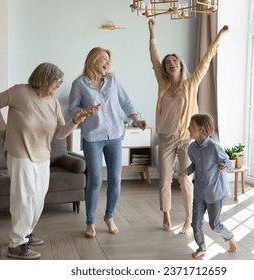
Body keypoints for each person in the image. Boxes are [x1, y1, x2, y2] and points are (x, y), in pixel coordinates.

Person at [0, 62, 98, 260]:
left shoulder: (53, 102)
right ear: (44, 78)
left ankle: (26, 233)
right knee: (24, 198)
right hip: (20, 153)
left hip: (42, 156)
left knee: (38, 198)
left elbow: (60, 134)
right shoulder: (20, 92)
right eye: (57, 82)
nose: (58, 86)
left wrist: (75, 120)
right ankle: (16, 244)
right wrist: (2, 129)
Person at [148, 19, 229, 233]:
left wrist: (219, 35)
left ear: (180, 64)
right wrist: (152, 33)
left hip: (186, 140)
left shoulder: (191, 84)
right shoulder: (163, 84)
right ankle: (165, 214)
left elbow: (206, 60)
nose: (171, 64)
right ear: (165, 69)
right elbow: (154, 58)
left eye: (175, 61)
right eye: (168, 63)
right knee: (164, 180)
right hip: (166, 138)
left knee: (185, 180)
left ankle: (187, 219)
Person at [68, 47, 146, 238]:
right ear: (93, 60)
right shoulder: (79, 84)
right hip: (92, 137)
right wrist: (86, 112)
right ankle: (90, 222)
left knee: (115, 180)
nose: (107, 62)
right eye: (104, 59)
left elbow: (126, 102)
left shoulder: (112, 80)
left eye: (108, 60)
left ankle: (109, 216)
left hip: (114, 135)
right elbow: (72, 108)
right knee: (95, 180)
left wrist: (135, 120)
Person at [179, 113, 237, 258]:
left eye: (191, 126)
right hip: (199, 192)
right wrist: (186, 171)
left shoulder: (214, 147)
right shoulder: (191, 148)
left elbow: (228, 162)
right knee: (195, 223)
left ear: (202, 129)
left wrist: (225, 166)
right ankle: (202, 247)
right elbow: (195, 165)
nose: (188, 128)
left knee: (215, 225)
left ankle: (229, 237)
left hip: (214, 193)